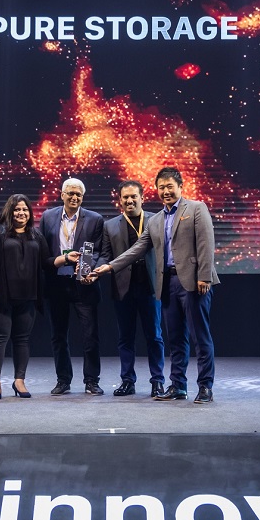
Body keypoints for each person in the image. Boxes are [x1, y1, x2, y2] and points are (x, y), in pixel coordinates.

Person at [92, 167, 219, 403]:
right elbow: (138, 248)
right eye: (161, 187)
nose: (166, 191)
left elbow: (206, 242)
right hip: (167, 284)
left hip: (193, 282)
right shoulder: (157, 220)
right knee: (176, 339)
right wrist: (109, 267)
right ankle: (178, 385)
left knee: (200, 338)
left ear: (180, 187)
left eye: (170, 186)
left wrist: (204, 276)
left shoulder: (196, 208)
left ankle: (205, 387)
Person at [0, 194, 77, 400]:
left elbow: (46, 262)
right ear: (9, 211)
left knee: (22, 340)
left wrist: (66, 258)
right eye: (17, 209)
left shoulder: (36, 235)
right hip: (1, 296)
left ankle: (19, 380)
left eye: (25, 209)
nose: (21, 213)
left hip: (29, 296)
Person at [97, 180, 165, 397]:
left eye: (133, 196)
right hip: (122, 287)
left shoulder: (157, 220)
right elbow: (105, 255)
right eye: (125, 197)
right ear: (120, 200)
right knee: (125, 337)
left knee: (154, 336)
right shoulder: (109, 226)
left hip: (151, 286)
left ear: (142, 198)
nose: (129, 200)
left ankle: (158, 381)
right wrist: (96, 269)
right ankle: (127, 381)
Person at [38, 177, 105, 395]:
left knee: (90, 335)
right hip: (56, 283)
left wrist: (89, 269)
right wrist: (61, 260)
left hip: (83, 284)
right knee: (58, 336)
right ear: (62, 195)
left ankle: (92, 381)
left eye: (78, 194)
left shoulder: (95, 219)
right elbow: (43, 252)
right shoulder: (48, 217)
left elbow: (98, 251)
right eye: (71, 193)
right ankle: (63, 380)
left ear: (82, 197)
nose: (74, 197)